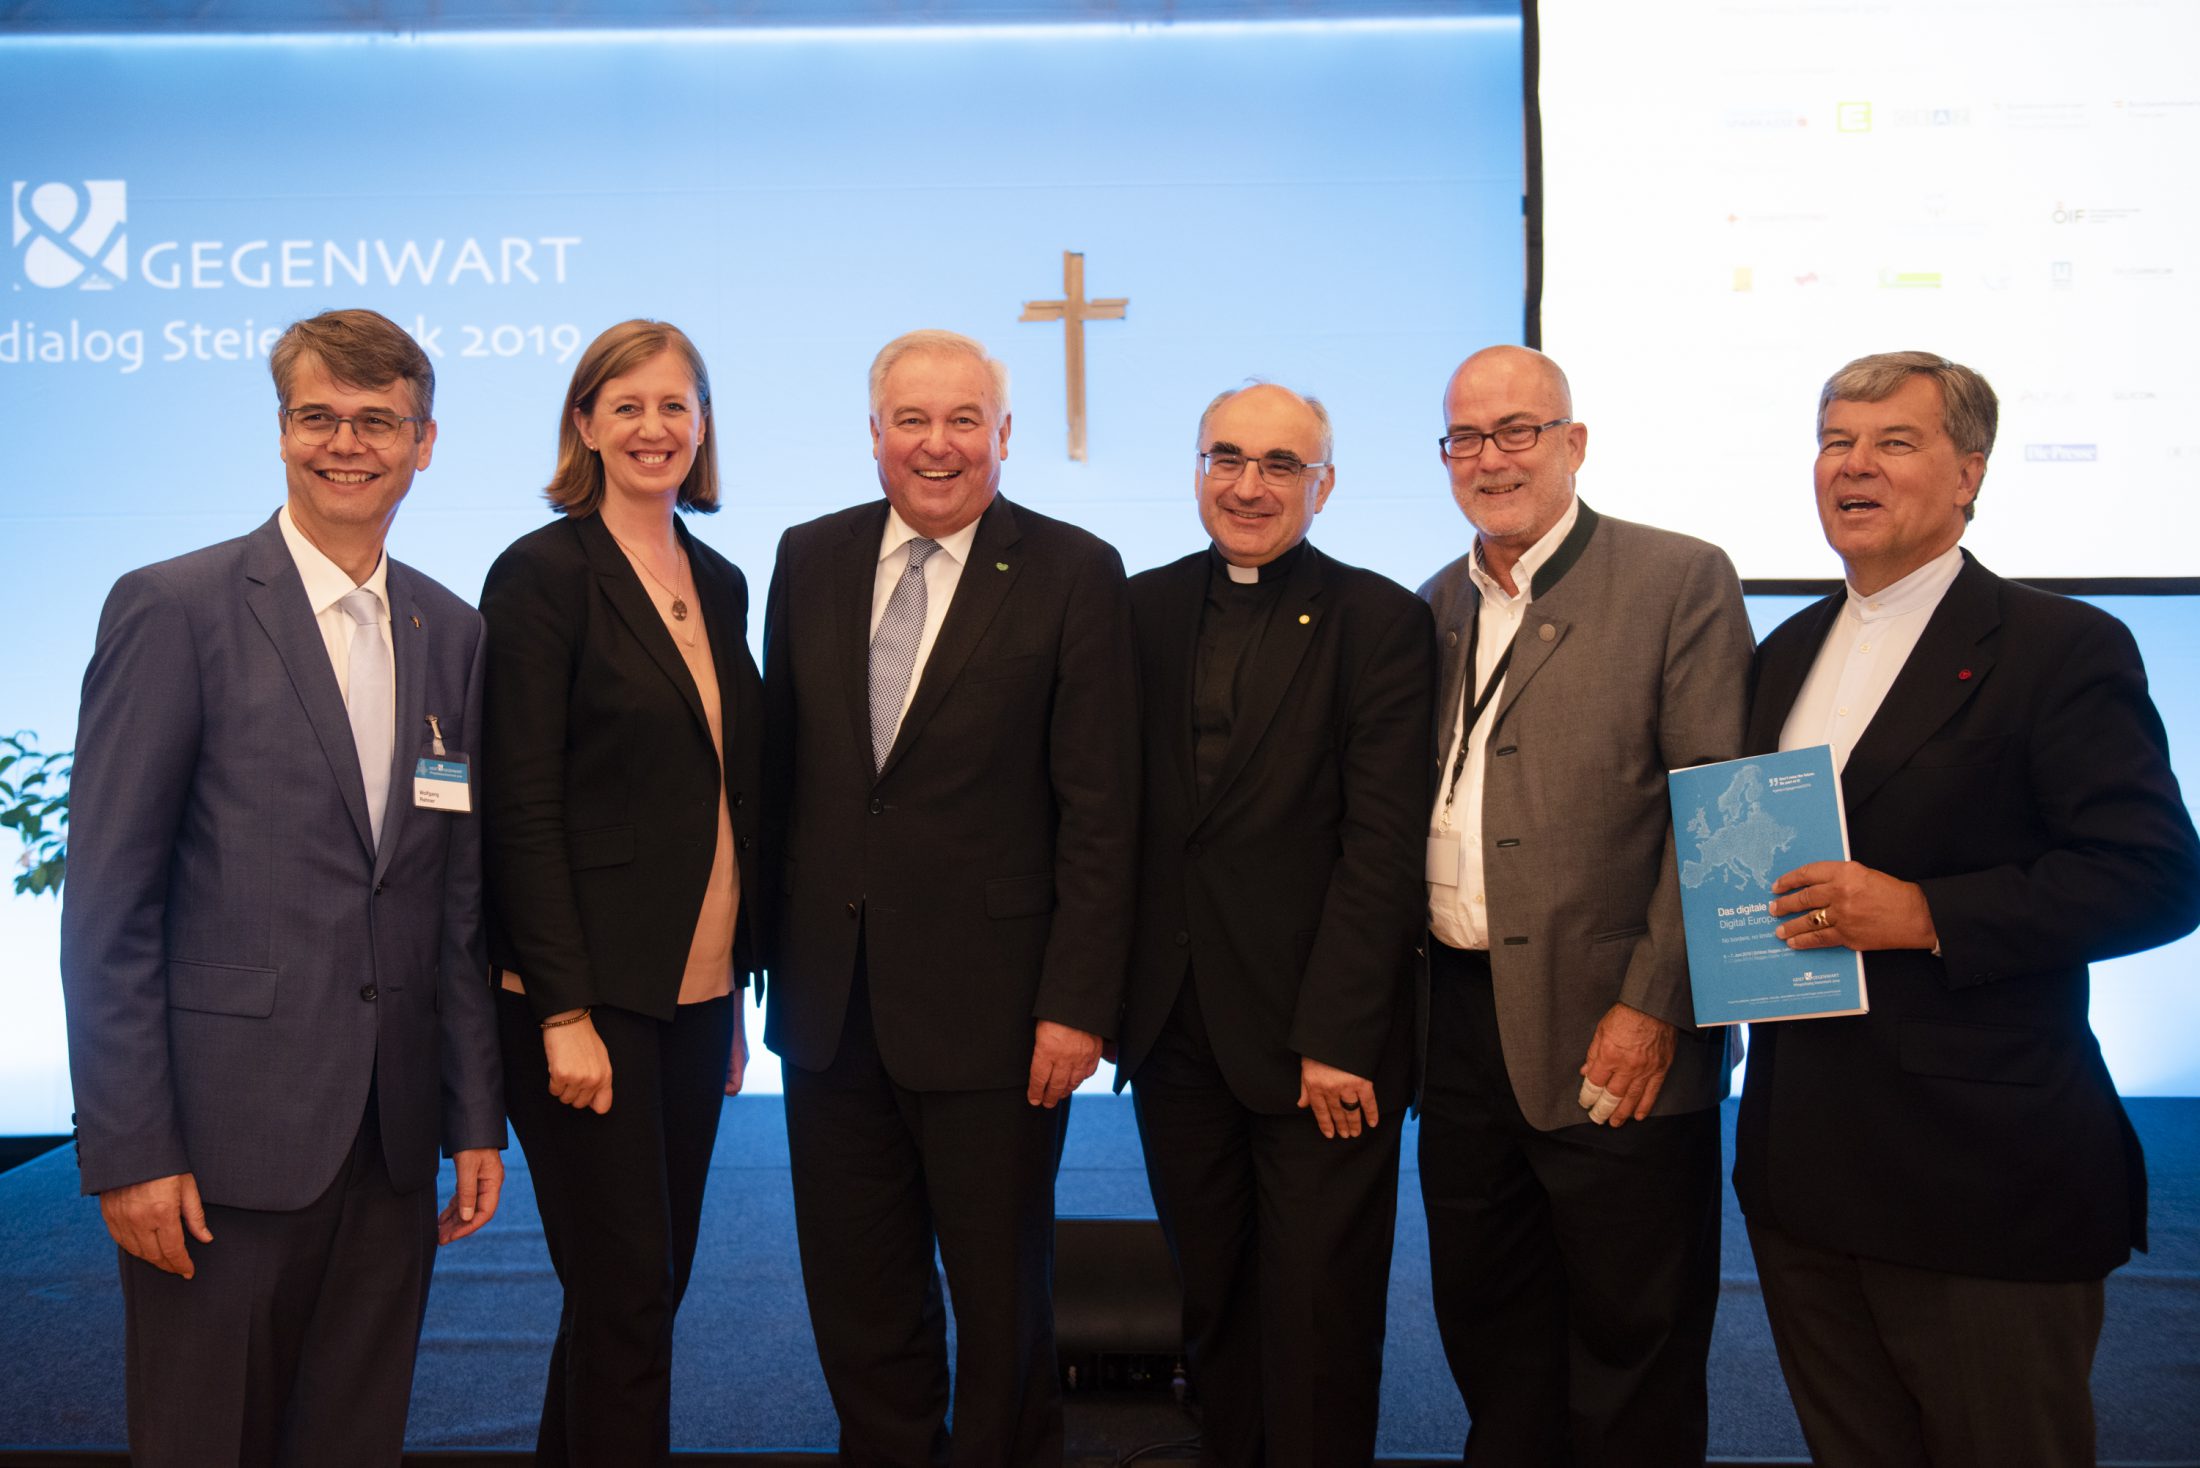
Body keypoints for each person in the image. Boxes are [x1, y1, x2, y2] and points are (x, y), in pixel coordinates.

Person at [58, 307, 504, 1468]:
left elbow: (449, 903)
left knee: (355, 1443)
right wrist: (130, 1147)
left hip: (392, 1143)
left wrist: (472, 1117)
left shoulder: (452, 632)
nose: (344, 444)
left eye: (376, 421)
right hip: (216, 1150)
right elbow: (109, 906)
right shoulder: (175, 609)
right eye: (317, 417)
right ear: (281, 431)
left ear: (425, 440)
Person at [1738, 350, 2200, 1468]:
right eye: (1836, 441)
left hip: (1982, 1179)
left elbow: (2154, 875)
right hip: (1803, 1169)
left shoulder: (2060, 647)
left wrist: (1925, 911)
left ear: (1967, 475)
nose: (1855, 466)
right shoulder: (1780, 650)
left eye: (1894, 442)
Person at [760, 328, 1139, 1466]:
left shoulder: (1076, 570)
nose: (938, 445)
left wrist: (1076, 1004)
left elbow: (1102, 810)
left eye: (963, 420)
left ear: (1004, 437)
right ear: (873, 435)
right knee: (857, 1283)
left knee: (997, 1287)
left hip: (1001, 1012)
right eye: (912, 420)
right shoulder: (808, 555)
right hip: (831, 1008)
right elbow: (788, 776)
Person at [1416, 344, 1752, 1466]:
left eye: (1518, 431)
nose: (1490, 458)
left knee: (1631, 1342)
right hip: (1459, 1027)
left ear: (1574, 443)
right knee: (1488, 1326)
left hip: (1616, 1021)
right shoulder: (1431, 605)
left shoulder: (1677, 579)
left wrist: (1654, 1003)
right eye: (1465, 437)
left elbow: (1718, 814)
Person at [1113, 382, 1434, 1466]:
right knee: (1212, 1301)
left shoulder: (1379, 621)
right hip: (1174, 1028)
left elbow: (1382, 846)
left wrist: (1338, 1034)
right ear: (1197, 468)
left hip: (1318, 1041)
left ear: (1324, 485)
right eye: (1226, 457)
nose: (1248, 485)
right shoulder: (1139, 608)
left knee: (1316, 1315)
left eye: (1280, 464)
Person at [479, 319, 763, 1467]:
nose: (654, 427)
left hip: (693, 996)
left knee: (643, 1288)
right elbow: (520, 807)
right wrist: (559, 1007)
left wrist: (734, 992)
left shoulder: (723, 577)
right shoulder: (541, 575)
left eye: (676, 405)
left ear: (701, 428)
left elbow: (728, 791)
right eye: (628, 405)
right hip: (581, 1001)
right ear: (585, 424)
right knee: (629, 1288)